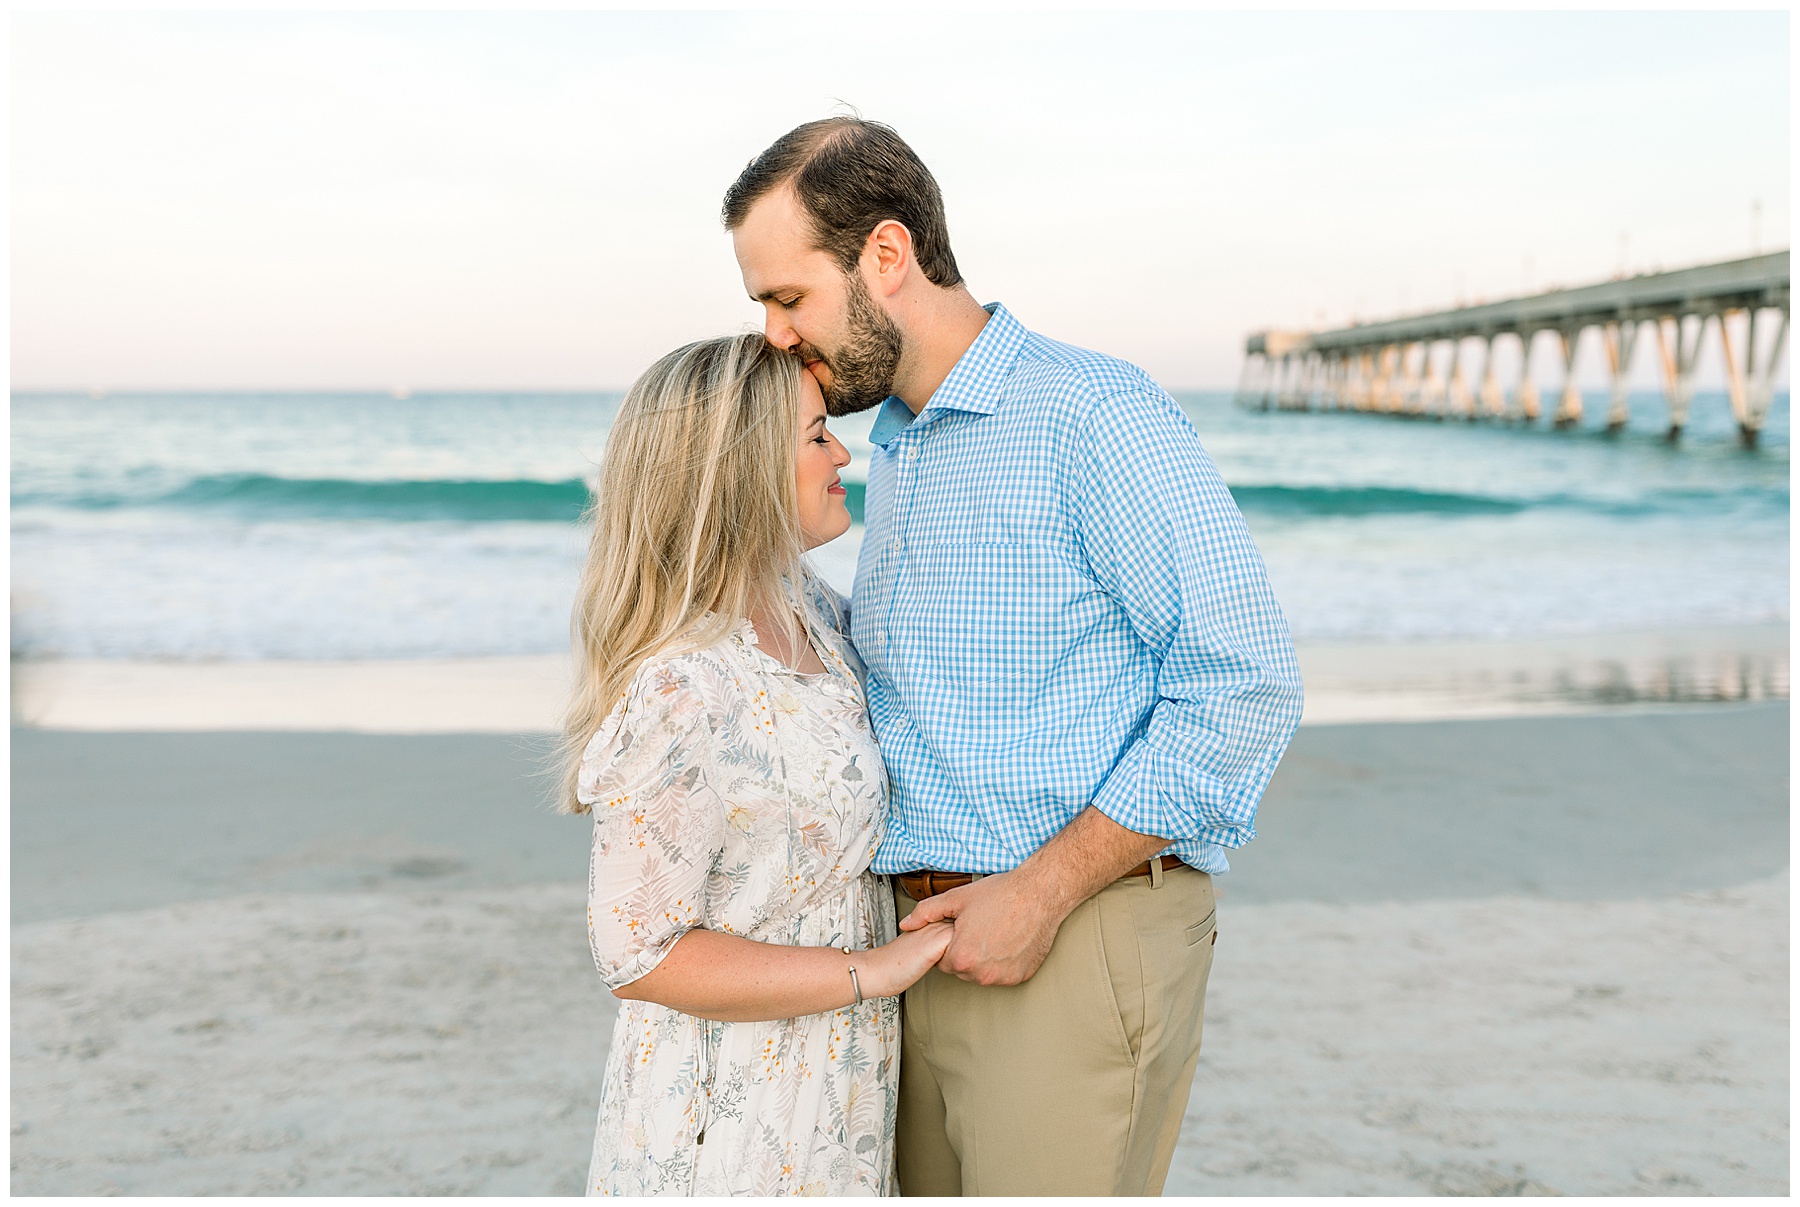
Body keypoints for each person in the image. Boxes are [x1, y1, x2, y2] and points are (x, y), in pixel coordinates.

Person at [725, 117, 1305, 1196]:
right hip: (915, 945)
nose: (771, 334)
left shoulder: (1092, 414)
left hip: (1072, 936)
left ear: (886, 257)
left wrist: (1039, 893)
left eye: (788, 297)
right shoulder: (899, 441)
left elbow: (1244, 681)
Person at [562, 334, 955, 1196]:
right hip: (729, 1110)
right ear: (740, 470)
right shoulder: (682, 683)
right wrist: (871, 971)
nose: (843, 450)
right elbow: (639, 954)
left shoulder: (808, 609)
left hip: (842, 1078)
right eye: (817, 435)